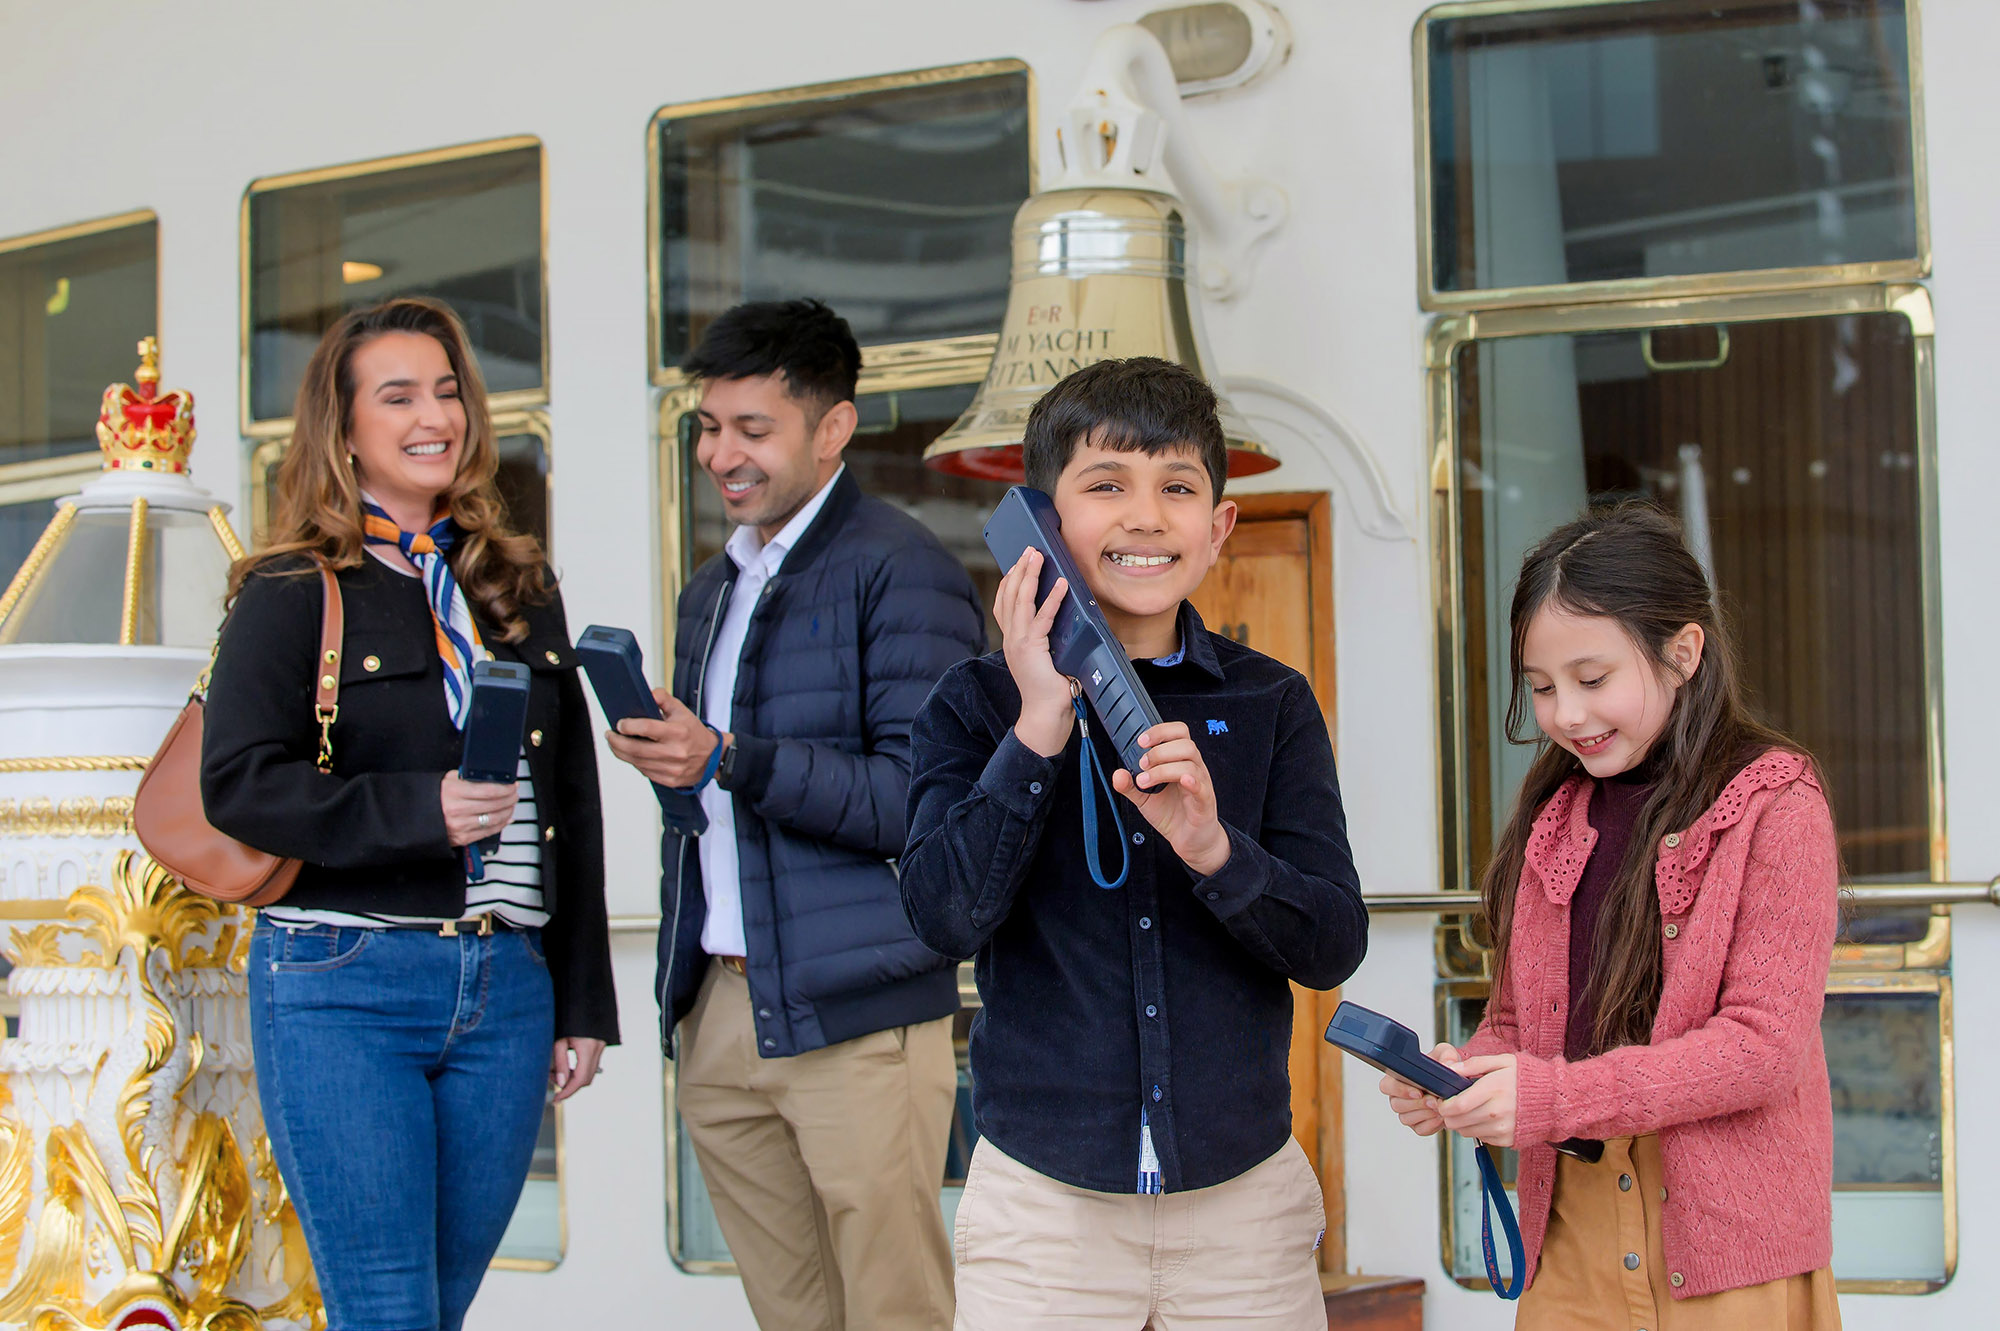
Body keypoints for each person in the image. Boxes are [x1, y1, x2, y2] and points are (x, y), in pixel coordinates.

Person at [900, 356, 1368, 1329]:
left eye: (1177, 488)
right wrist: (1037, 723)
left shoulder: (1271, 700)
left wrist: (1212, 847)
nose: (1145, 517)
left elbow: (1330, 942)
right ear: (1039, 520)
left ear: (1218, 527)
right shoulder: (972, 703)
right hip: (1042, 1208)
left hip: (1243, 1203)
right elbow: (943, 914)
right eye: (1105, 485)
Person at [201, 297, 616, 1331]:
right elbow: (239, 782)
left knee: (439, 1301)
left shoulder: (517, 584)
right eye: (398, 396)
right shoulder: (291, 588)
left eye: (447, 391)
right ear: (342, 430)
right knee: (386, 1307)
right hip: (344, 983)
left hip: (505, 990)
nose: (435, 415)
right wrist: (419, 808)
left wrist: (578, 999)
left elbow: (569, 801)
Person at [606, 298, 984, 1331]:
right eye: (707, 425)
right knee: (791, 1314)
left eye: (750, 429)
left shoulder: (903, 570)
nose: (719, 453)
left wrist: (729, 756)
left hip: (857, 1015)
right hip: (722, 1008)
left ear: (832, 428)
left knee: (894, 1310)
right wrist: (676, 765)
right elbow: (725, 798)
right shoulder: (709, 589)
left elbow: (919, 801)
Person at [1376, 503, 1842, 1328]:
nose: (1567, 715)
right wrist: (1465, 1076)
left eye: (1593, 680)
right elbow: (1522, 1021)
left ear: (1684, 651)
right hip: (1572, 1229)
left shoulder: (1778, 799)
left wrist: (1549, 1096)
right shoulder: (1554, 812)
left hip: (1729, 1239)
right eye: (1543, 687)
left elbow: (1762, 1048)